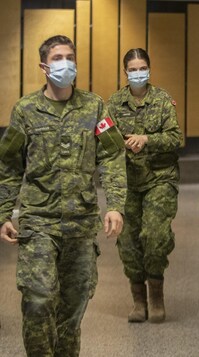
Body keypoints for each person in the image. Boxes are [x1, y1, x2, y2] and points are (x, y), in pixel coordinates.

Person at [0, 35, 126, 357]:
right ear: (44, 66)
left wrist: (115, 205)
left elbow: (111, 156)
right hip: (39, 221)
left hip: (80, 224)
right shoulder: (26, 110)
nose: (65, 63)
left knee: (73, 307)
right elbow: (9, 165)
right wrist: (3, 212)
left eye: (70, 56)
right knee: (39, 299)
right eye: (58, 58)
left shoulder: (95, 106)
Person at [107, 48, 182, 324]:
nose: (138, 73)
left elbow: (176, 138)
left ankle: (156, 295)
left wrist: (147, 139)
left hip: (159, 177)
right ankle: (138, 299)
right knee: (128, 242)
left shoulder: (162, 100)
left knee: (154, 236)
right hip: (127, 181)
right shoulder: (113, 103)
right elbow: (105, 143)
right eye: (133, 69)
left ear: (149, 69)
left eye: (143, 68)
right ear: (125, 72)